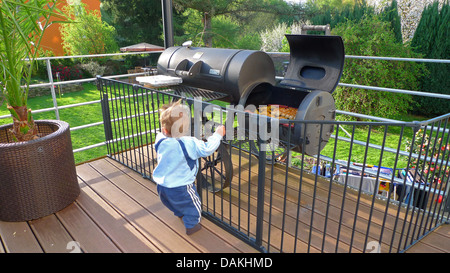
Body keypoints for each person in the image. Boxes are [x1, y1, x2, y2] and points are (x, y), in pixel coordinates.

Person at [152, 100, 225, 235]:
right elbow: (207, 149)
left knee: (172, 202)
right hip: (181, 186)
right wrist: (218, 135)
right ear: (186, 130)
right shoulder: (189, 143)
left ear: (164, 130)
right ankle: (192, 225)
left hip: (162, 185)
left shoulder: (160, 139)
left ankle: (180, 212)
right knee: (195, 205)